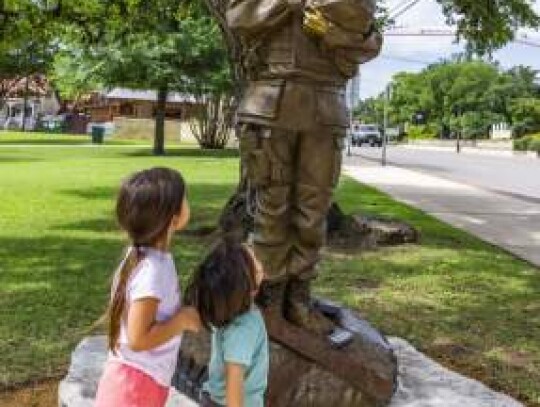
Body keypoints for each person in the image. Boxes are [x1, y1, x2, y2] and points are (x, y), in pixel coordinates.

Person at [225, 0, 382, 334]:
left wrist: (333, 32)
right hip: (270, 103)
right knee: (271, 207)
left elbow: (371, 41)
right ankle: (268, 297)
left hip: (325, 107)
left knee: (313, 212)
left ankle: (298, 299)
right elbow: (238, 19)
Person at [95, 167, 201, 407]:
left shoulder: (141, 257)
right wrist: (182, 320)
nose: (188, 202)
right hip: (136, 388)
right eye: (185, 198)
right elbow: (138, 339)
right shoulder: (153, 270)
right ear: (173, 218)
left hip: (135, 382)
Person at [186, 240, 269, 407]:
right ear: (245, 285)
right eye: (252, 260)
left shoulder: (229, 310)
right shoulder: (244, 327)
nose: (256, 257)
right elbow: (234, 377)